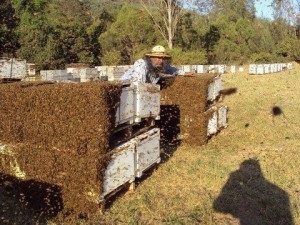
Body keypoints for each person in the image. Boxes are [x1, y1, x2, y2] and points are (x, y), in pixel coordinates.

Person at [120, 45, 185, 84]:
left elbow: (173, 70)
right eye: (158, 58)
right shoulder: (141, 64)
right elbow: (138, 82)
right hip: (127, 87)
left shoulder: (161, 65)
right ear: (151, 57)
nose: (161, 60)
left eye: (163, 58)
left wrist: (185, 73)